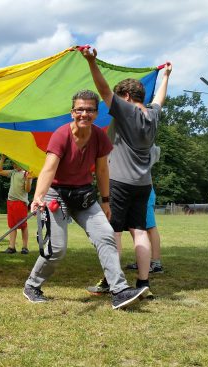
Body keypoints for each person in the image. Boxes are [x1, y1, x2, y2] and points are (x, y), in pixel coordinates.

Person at [22, 89, 148, 310]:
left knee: (106, 235)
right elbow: (48, 169)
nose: (84, 114)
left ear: (96, 114)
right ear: (72, 112)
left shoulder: (99, 136)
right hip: (56, 195)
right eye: (80, 109)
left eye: (90, 110)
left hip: (83, 196)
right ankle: (32, 286)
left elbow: (102, 171)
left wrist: (106, 201)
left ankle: (119, 291)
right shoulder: (61, 135)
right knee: (57, 250)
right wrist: (38, 197)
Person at [83, 47, 171, 295]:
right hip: (144, 184)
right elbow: (159, 99)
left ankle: (112, 282)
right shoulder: (152, 115)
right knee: (140, 232)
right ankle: (144, 284)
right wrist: (166, 76)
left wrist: (92, 62)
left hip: (120, 182)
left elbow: (102, 90)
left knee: (114, 233)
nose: (117, 101)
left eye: (120, 97)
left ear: (128, 97)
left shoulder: (126, 110)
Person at [0, 154, 33, 254]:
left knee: (23, 225)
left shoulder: (27, 173)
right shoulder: (13, 172)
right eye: (13, 163)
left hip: (20, 203)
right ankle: (11, 247)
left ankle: (25, 247)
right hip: (10, 202)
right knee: (12, 226)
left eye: (16, 163)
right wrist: (2, 159)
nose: (14, 165)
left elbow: (27, 190)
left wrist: (28, 179)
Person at [125, 187, 164, 273]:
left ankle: (156, 264)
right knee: (137, 228)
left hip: (144, 191)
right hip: (133, 190)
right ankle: (142, 261)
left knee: (150, 227)